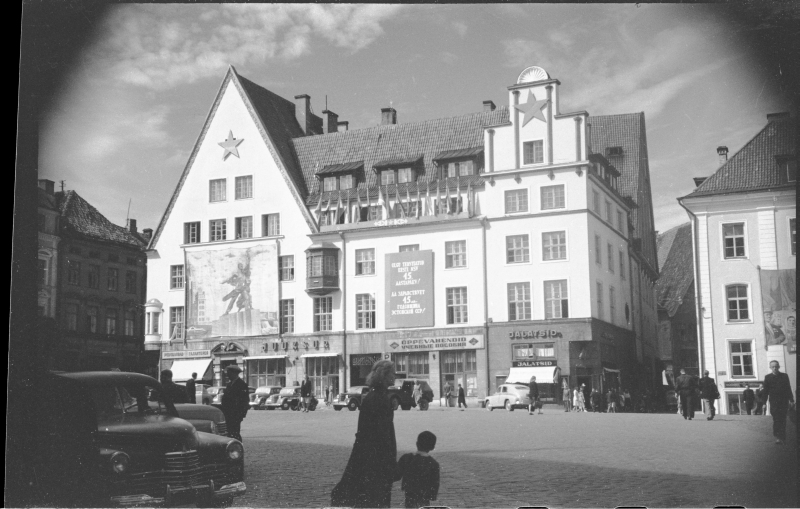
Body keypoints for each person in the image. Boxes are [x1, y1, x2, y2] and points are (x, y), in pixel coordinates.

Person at [331, 360, 397, 508]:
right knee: (377, 498)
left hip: (369, 457)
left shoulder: (373, 397)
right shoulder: (380, 399)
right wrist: (389, 461)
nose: (394, 375)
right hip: (377, 459)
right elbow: (382, 434)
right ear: (384, 375)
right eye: (392, 373)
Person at [395, 431, 440, 509]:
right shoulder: (434, 464)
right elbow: (435, 482)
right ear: (432, 447)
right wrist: (433, 495)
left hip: (410, 493)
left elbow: (397, 474)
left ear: (417, 443)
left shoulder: (407, 458)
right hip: (424, 495)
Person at [761, 361, 795, 444]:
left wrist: (791, 400)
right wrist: (764, 403)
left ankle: (782, 437)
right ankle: (777, 436)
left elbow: (788, 388)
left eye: (776, 366)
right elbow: (765, 391)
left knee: (783, 419)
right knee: (776, 419)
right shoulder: (768, 377)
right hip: (774, 402)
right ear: (770, 368)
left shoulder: (784, 376)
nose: (775, 368)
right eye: (773, 367)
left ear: (779, 367)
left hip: (783, 401)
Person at [220, 365, 249, 442]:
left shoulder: (242, 385)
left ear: (234, 373)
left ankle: (237, 447)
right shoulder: (229, 384)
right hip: (227, 413)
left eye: (229, 373)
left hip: (236, 414)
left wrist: (241, 414)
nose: (227, 375)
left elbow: (245, 401)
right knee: (229, 433)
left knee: (235, 433)